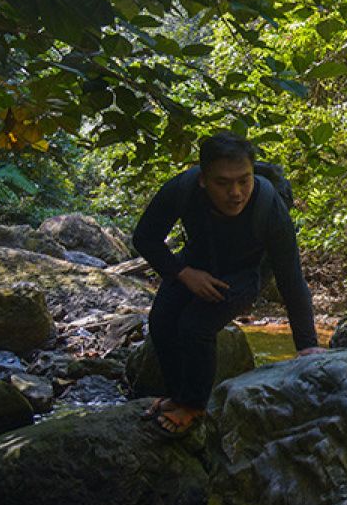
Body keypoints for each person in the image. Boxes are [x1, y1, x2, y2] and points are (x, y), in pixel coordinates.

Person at [132, 132, 322, 436]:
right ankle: (176, 397)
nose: (236, 192)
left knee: (195, 326)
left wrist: (308, 345)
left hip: (246, 271)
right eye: (223, 183)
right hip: (196, 260)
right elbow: (145, 237)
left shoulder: (270, 207)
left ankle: (194, 406)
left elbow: (291, 278)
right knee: (162, 320)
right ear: (203, 180)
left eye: (243, 180)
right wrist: (183, 274)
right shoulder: (182, 189)